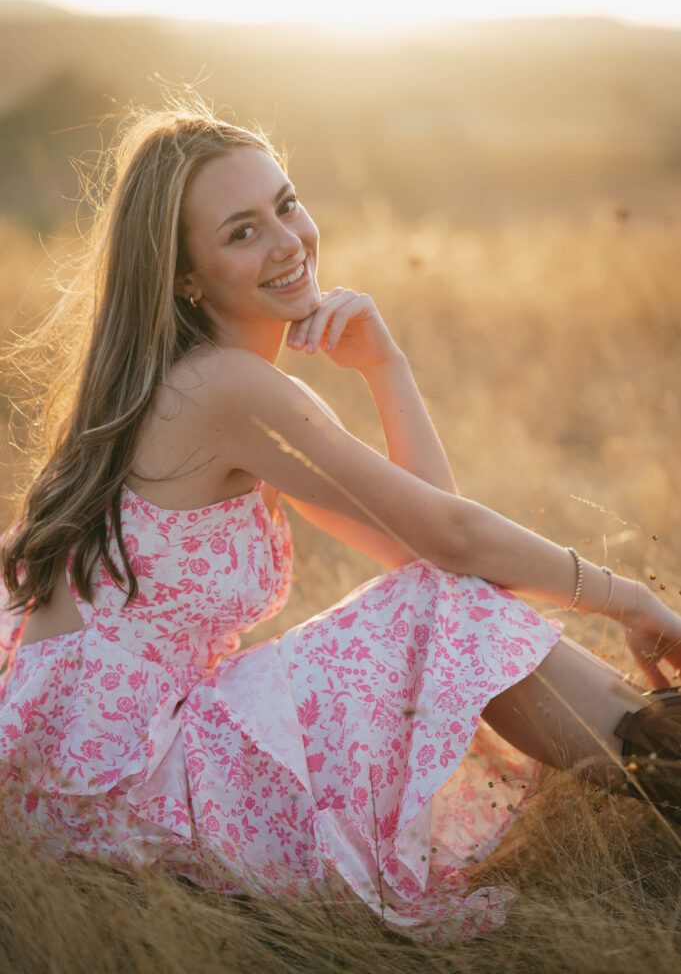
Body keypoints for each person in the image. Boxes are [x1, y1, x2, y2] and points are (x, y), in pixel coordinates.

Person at [0, 97, 680, 946]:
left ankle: (664, 753)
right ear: (185, 277)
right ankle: (668, 756)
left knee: (439, 603)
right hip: (130, 792)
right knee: (438, 608)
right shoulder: (225, 389)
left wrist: (385, 367)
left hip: (82, 789)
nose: (287, 241)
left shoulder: (189, 382)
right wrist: (629, 602)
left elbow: (429, 551)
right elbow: (452, 545)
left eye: (285, 204)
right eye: (241, 232)